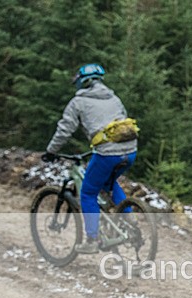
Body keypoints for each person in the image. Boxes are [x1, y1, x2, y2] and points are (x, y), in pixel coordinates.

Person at [42, 63, 139, 254]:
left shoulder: (78, 102)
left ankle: (92, 240)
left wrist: (51, 151)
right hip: (131, 151)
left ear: (82, 82)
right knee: (108, 183)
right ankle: (130, 220)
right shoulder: (114, 98)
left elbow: (65, 130)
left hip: (107, 154)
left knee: (87, 192)